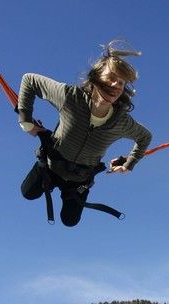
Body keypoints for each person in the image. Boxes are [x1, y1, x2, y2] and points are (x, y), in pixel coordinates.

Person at [17, 41, 152, 226]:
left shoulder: (121, 121)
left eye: (121, 82)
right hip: (51, 166)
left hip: (79, 180)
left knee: (70, 220)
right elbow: (29, 80)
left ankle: (70, 195)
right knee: (28, 193)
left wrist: (129, 163)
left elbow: (145, 137)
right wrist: (26, 121)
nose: (115, 85)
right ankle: (41, 173)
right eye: (111, 77)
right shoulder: (71, 98)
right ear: (96, 77)